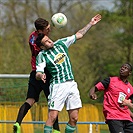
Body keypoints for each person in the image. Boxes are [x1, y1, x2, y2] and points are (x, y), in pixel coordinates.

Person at [35, 14, 102, 133]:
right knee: (53, 117)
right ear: (42, 46)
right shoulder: (42, 55)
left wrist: (90, 24)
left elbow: (79, 35)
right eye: (46, 41)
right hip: (58, 86)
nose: (49, 40)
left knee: (74, 118)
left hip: (71, 84)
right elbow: (38, 72)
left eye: (48, 38)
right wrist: (41, 75)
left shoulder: (61, 43)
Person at [13, 18, 60, 133]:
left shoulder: (31, 37)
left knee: (30, 99)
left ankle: (17, 123)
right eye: (47, 29)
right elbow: (50, 48)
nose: (49, 30)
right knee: (52, 103)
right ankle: (56, 130)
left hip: (35, 73)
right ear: (41, 30)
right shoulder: (42, 42)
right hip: (45, 73)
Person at [89, 63, 133, 133]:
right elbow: (95, 88)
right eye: (122, 67)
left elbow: (127, 106)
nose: (122, 69)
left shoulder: (130, 89)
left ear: (129, 72)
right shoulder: (110, 81)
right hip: (113, 116)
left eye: (125, 68)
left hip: (127, 118)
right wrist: (92, 93)